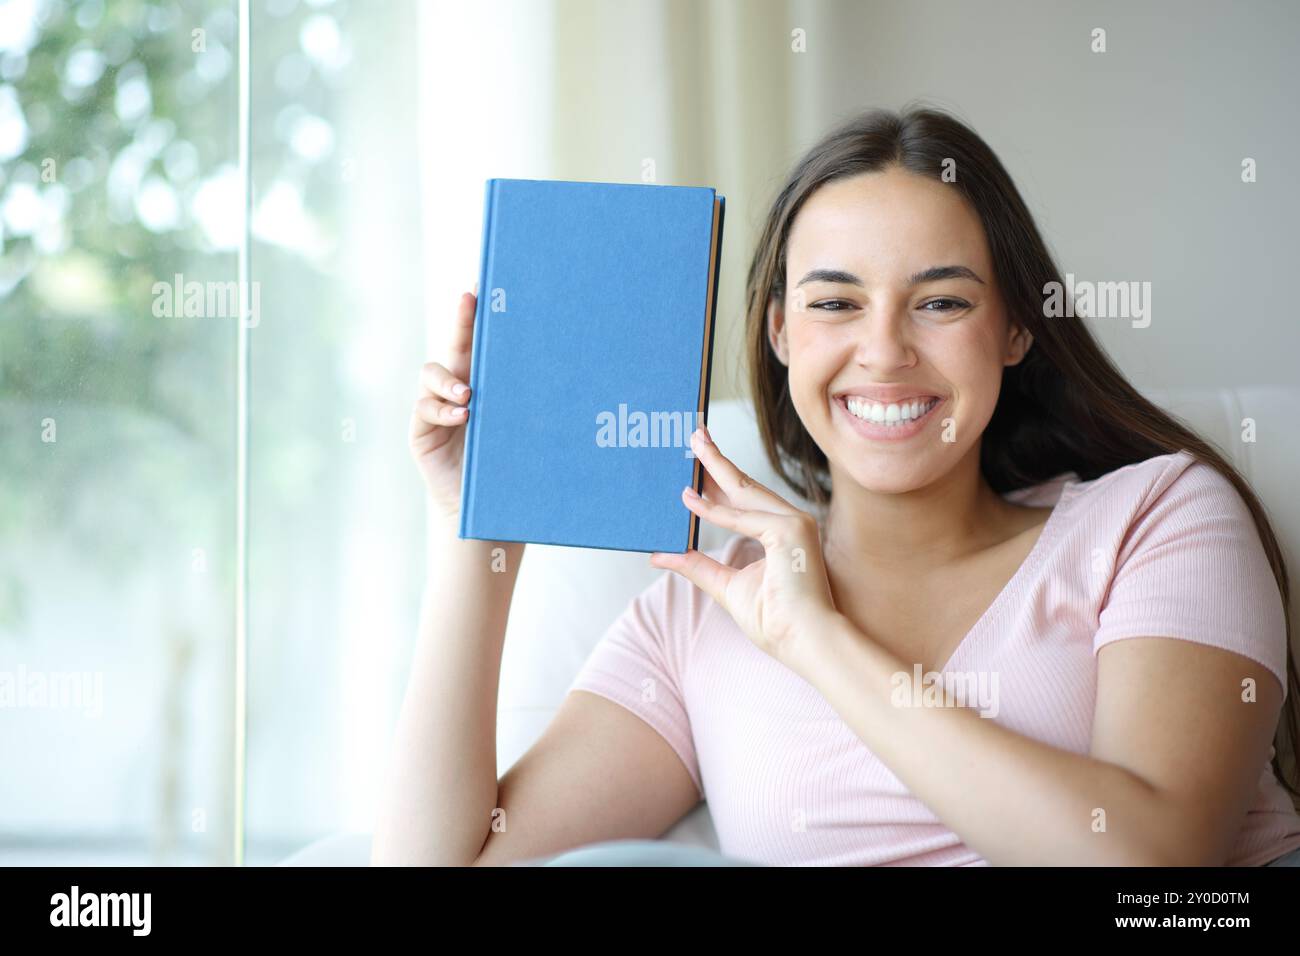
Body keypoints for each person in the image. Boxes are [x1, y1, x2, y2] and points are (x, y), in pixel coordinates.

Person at [372, 104, 1300, 868]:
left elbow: (1158, 869)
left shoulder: (1160, 516)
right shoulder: (701, 616)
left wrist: (816, 641)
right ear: (780, 333)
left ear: (1016, 328)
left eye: (941, 301)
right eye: (834, 302)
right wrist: (476, 520)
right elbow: (442, 866)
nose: (886, 351)